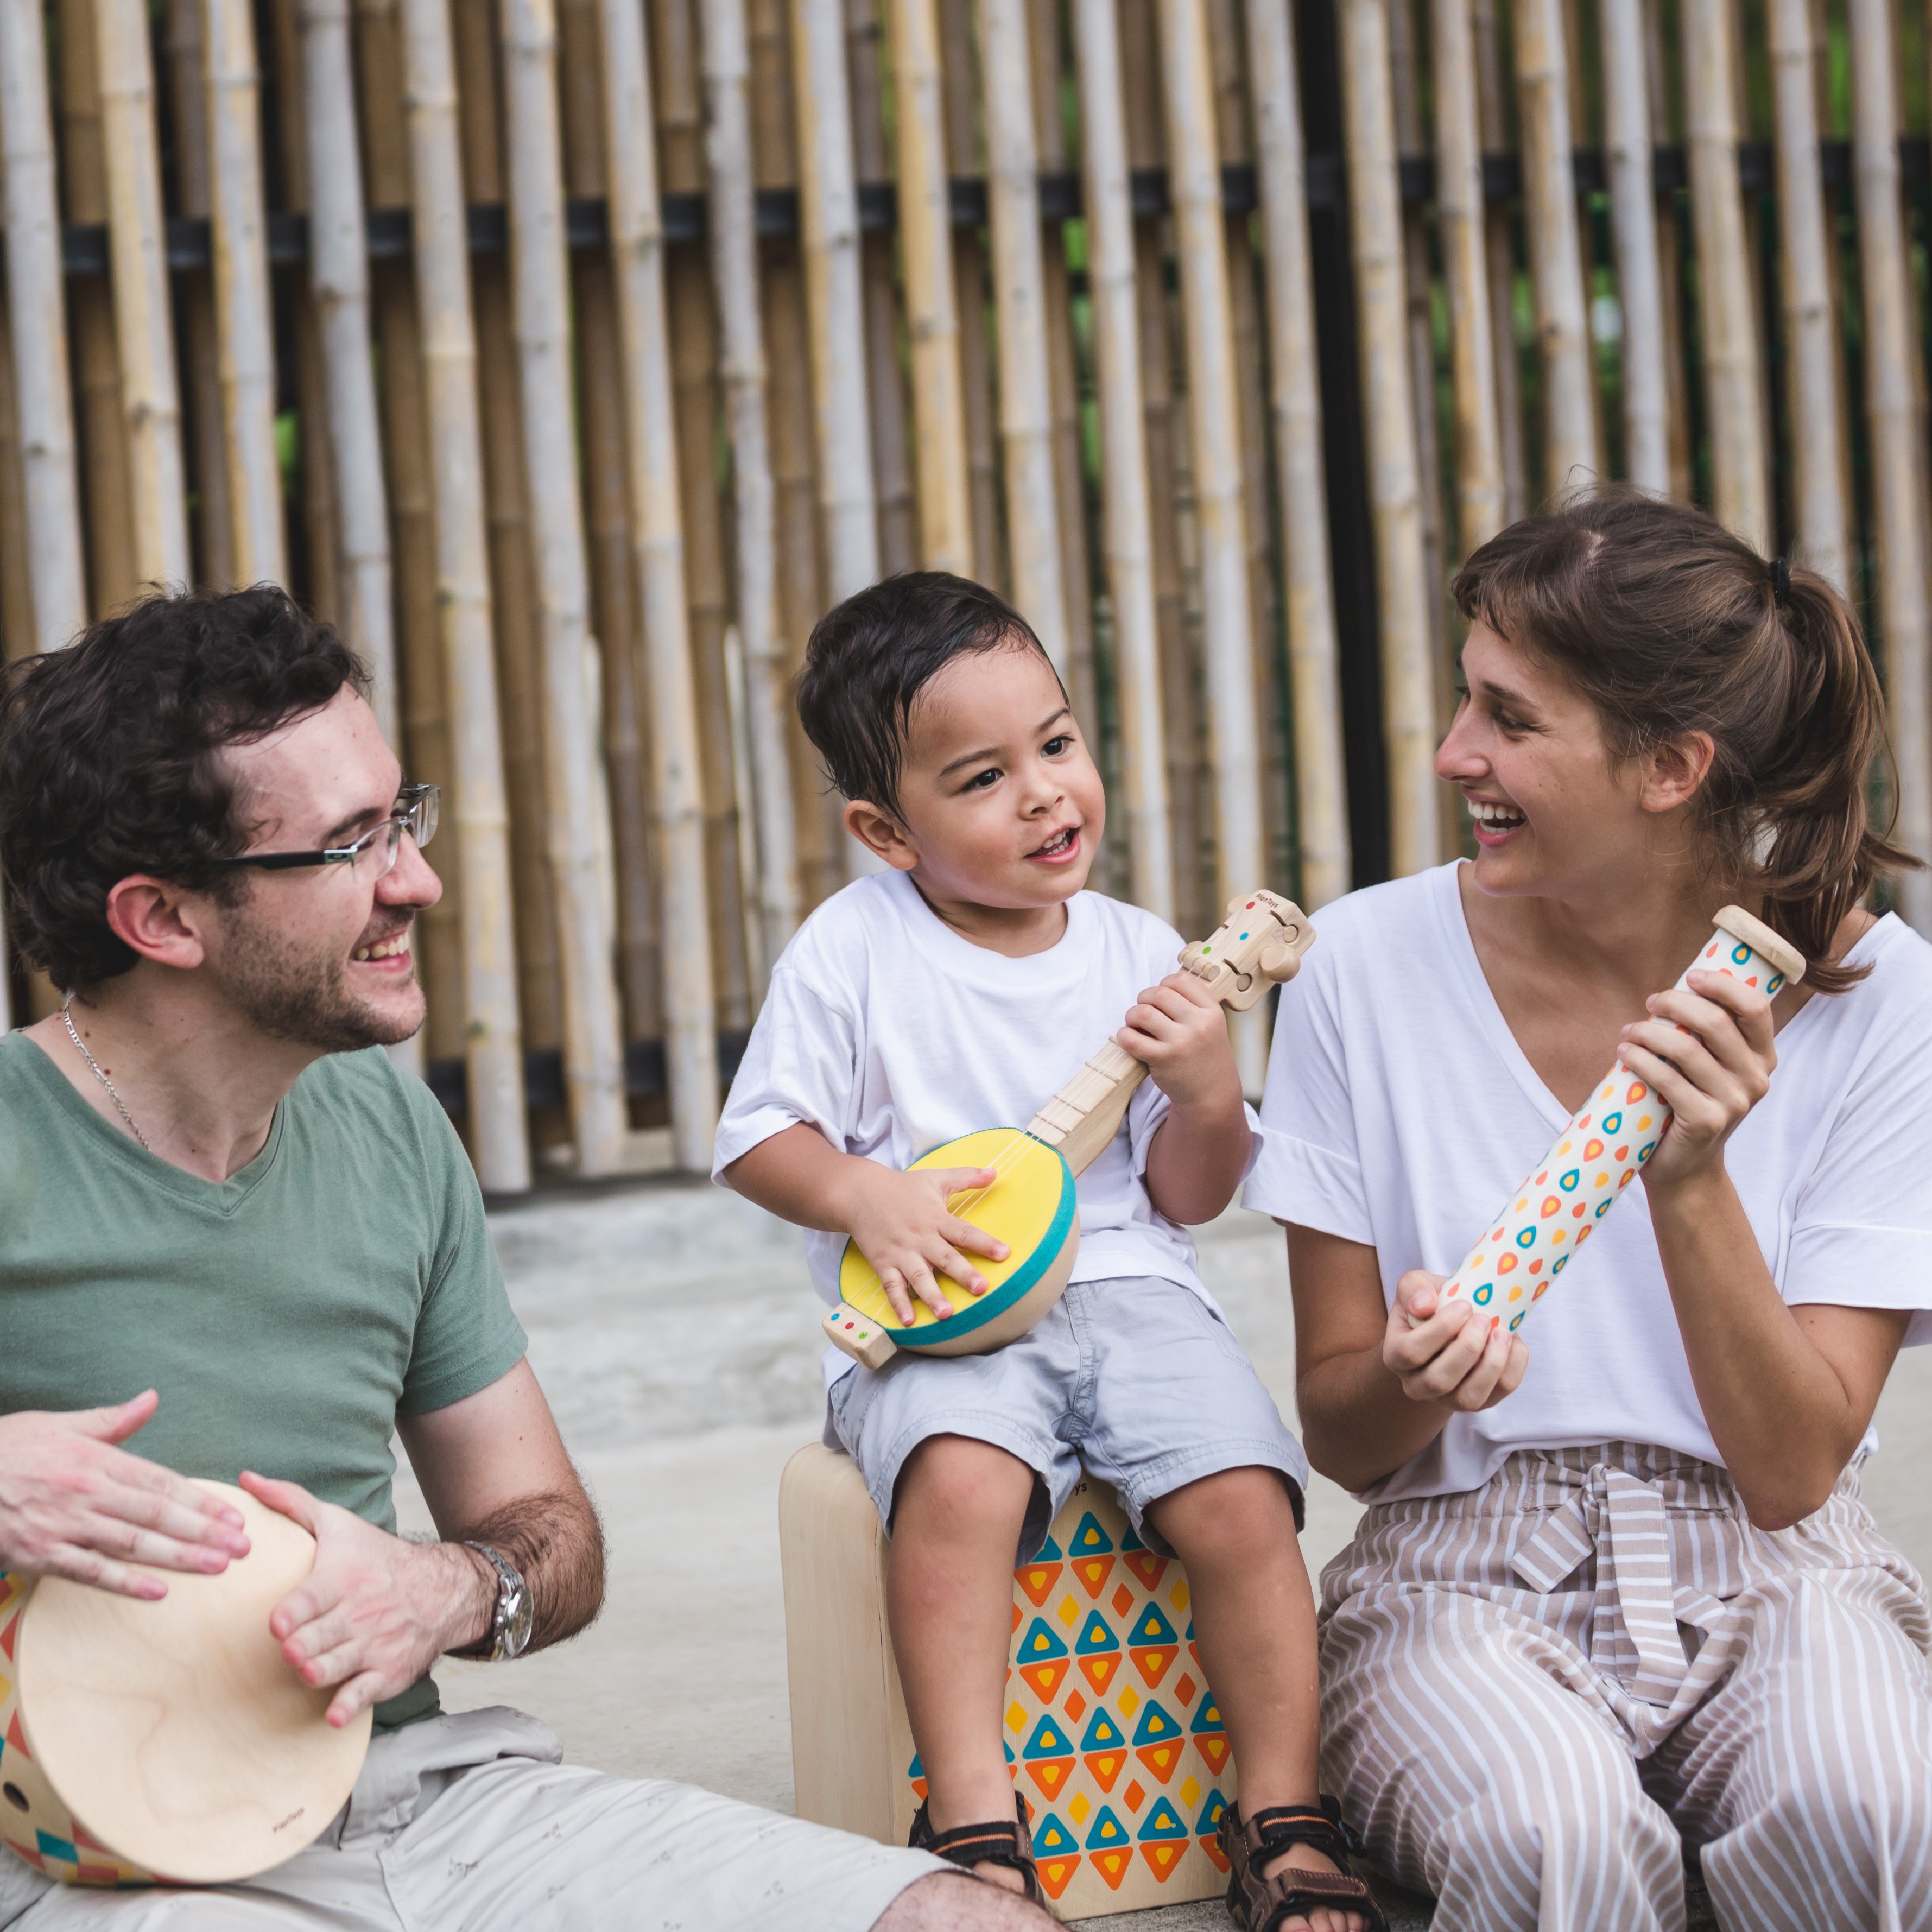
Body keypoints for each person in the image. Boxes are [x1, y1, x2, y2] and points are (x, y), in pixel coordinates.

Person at [0, 586, 1048, 1932]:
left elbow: (550, 1538)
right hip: (103, 1859)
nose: (416, 881)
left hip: (431, 1805)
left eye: (402, 818)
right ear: (162, 919)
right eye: (349, 846)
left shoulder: (389, 1128)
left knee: (964, 1921)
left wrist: (442, 1587)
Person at [1248, 491, 1932, 1932]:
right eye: (1463, 698)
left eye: (1510, 718)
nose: (1454, 754)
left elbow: (1797, 1472)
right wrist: (1409, 1379)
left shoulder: (1883, 1005)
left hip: (1776, 1565)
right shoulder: (1362, 968)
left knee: (1868, 1801)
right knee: (1552, 1841)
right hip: (1461, 1569)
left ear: (1671, 767)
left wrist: (1691, 1181)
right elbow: (1345, 1438)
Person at [717, 573, 1379, 1932]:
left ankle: (1284, 1813)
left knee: (1246, 1498)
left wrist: (1204, 1090)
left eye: (1058, 745)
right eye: (981, 776)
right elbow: (755, 1138)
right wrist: (862, 1195)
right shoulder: (853, 948)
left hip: (1135, 1291)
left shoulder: (1141, 952)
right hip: (938, 1313)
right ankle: (971, 1815)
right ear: (883, 830)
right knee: (958, 1487)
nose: (1043, 794)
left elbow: (1187, 1197)